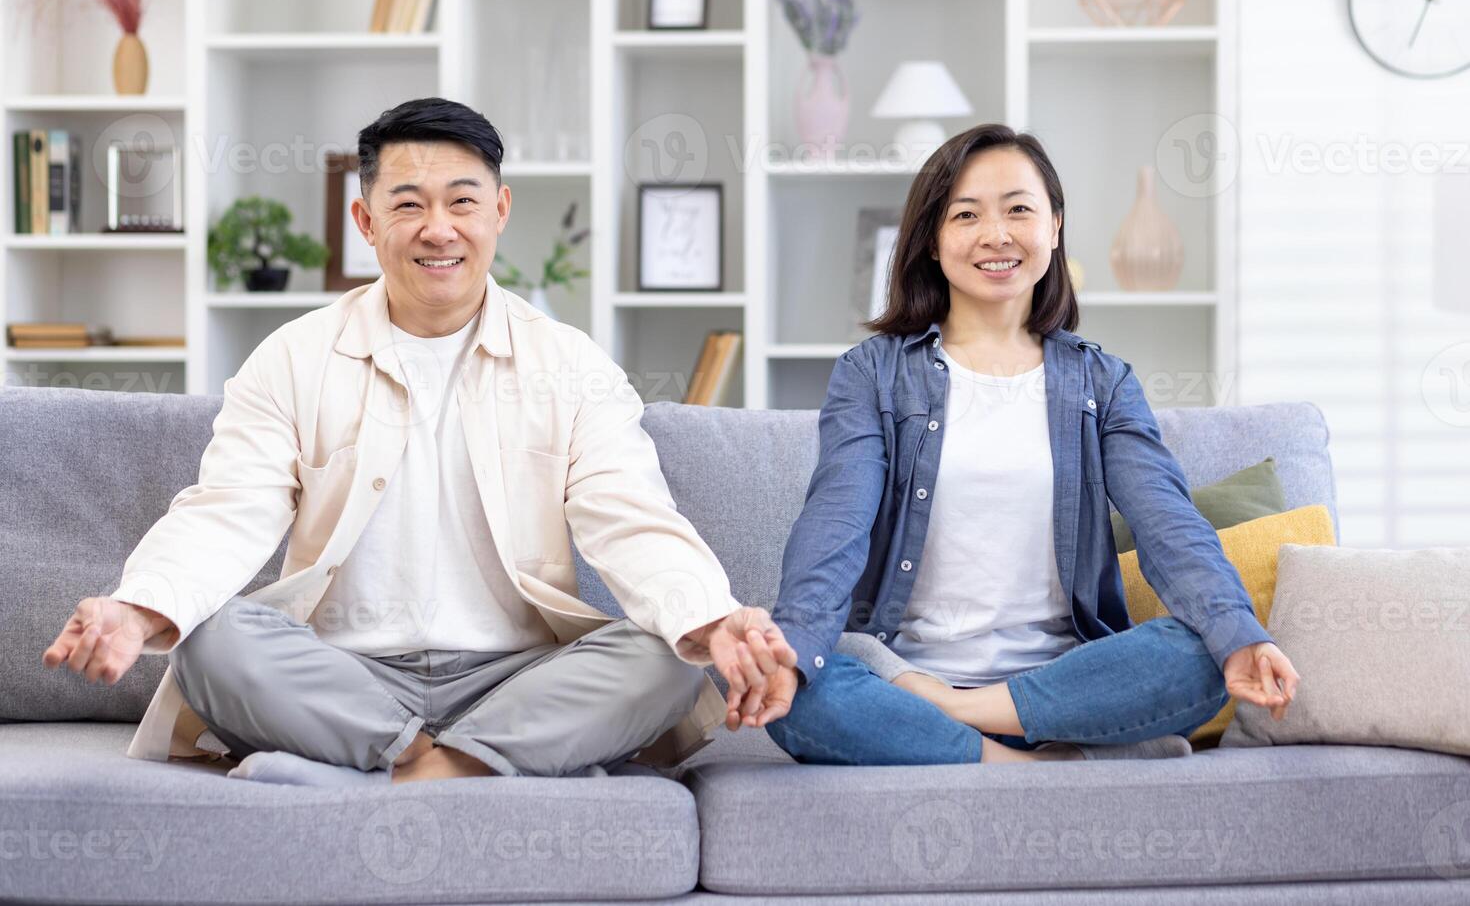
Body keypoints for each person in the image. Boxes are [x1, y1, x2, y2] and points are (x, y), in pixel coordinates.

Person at [41, 97, 796, 787]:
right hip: (343, 672)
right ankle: (465, 764)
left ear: (498, 211)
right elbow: (225, 510)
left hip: (517, 675)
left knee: (664, 658)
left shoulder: (571, 366)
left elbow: (631, 519)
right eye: (409, 204)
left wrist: (713, 619)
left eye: (463, 202)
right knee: (212, 639)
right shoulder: (294, 357)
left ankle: (399, 770)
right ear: (367, 223)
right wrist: (137, 609)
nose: (439, 228)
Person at [763, 124, 1300, 765]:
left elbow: (1170, 525)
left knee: (1201, 657)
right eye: (966, 215)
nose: (997, 234)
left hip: (1063, 689)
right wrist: (790, 653)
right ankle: (1030, 766)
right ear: (933, 241)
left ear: (1054, 227)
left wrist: (1240, 635)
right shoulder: (872, 374)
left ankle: (958, 721)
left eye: (1019, 209)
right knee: (797, 692)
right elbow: (835, 528)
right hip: (898, 679)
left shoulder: (1103, 382)